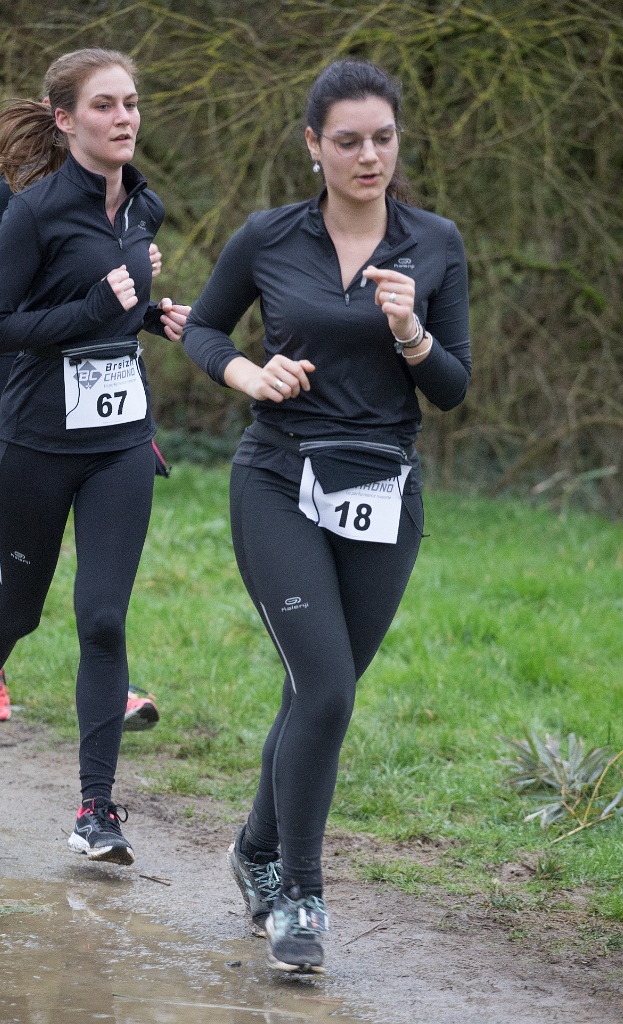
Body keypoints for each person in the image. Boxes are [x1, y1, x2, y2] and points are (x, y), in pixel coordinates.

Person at [182, 58, 471, 973]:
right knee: (330, 690)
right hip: (280, 478)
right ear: (314, 145)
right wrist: (250, 372)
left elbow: (453, 388)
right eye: (348, 141)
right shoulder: (269, 235)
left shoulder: (436, 243)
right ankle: (300, 898)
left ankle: (255, 850)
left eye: (383, 138)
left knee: (317, 690)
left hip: (383, 488)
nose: (368, 156)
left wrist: (412, 334)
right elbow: (204, 329)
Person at [0, 48, 191, 869]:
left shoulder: (144, 205)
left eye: (132, 103)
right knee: (17, 609)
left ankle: (96, 811)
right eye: (106, 105)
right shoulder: (35, 210)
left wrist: (149, 317)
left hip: (119, 444)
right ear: (65, 118)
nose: (124, 118)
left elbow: (114, 304)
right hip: (36, 444)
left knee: (104, 618)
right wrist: (94, 305)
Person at [0, 170, 165, 728]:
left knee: (104, 566)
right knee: (3, 528)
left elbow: (118, 291)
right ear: (65, 124)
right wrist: (85, 273)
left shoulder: (131, 199)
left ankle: (108, 682)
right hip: (23, 372)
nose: (122, 127)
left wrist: (134, 280)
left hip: (101, 379)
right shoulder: (22, 185)